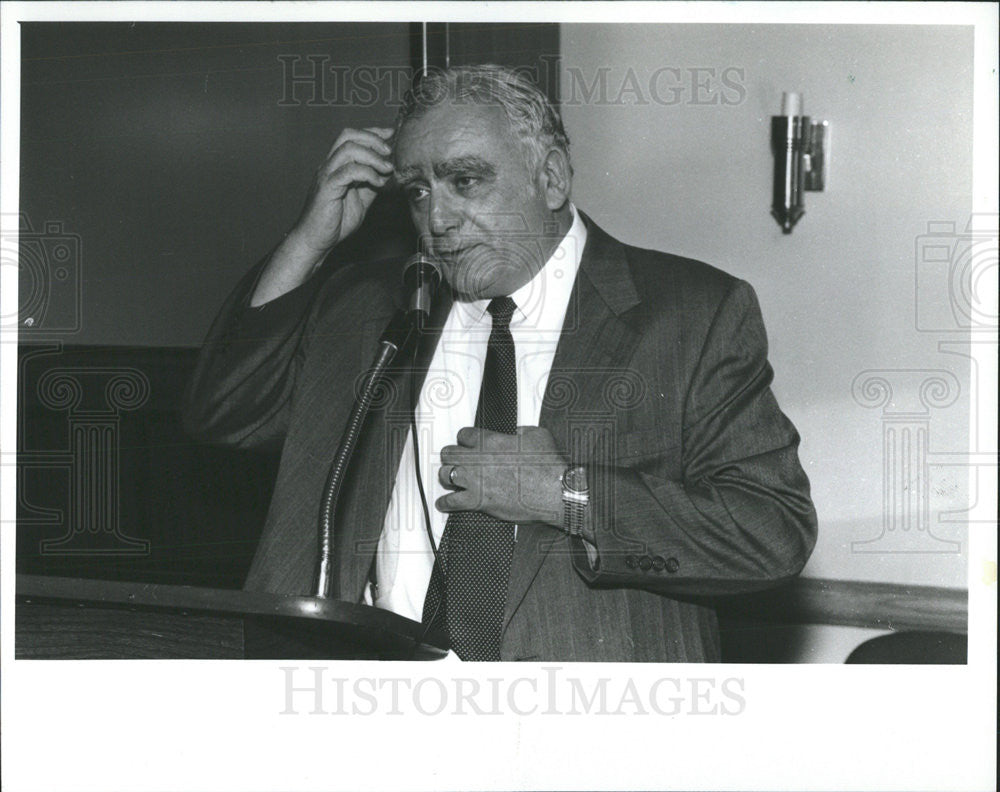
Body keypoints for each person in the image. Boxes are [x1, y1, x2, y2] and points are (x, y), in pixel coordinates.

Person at [184, 64, 818, 662]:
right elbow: (226, 416)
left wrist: (565, 495)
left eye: (466, 181)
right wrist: (308, 241)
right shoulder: (374, 306)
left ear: (550, 178)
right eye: (417, 190)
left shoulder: (688, 313)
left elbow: (769, 534)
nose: (436, 217)